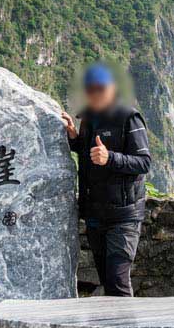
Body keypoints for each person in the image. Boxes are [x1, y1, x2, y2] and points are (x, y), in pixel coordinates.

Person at [61, 63, 151, 297]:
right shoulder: (88, 119)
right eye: (90, 89)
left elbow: (143, 162)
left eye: (101, 88)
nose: (95, 93)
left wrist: (110, 158)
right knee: (106, 281)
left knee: (118, 283)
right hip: (96, 215)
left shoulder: (128, 118)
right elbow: (88, 154)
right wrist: (74, 138)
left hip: (123, 216)